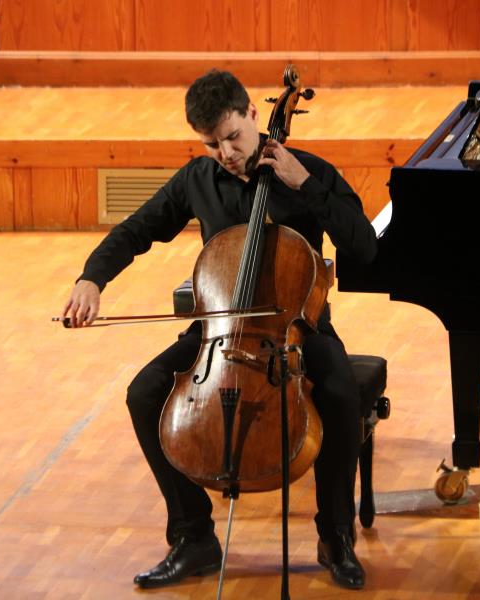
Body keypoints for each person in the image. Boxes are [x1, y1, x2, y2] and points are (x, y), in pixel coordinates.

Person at [62, 69, 377, 590]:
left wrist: (305, 186)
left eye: (233, 137)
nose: (226, 153)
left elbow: (363, 246)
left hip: (299, 326)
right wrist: (90, 278)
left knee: (341, 394)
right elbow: (137, 229)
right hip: (221, 326)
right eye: (212, 144)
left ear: (254, 115)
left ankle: (335, 535)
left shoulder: (309, 171)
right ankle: (193, 538)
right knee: (144, 392)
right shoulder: (197, 180)